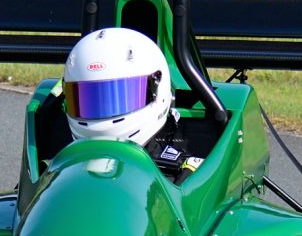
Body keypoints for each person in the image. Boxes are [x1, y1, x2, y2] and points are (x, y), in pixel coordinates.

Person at [61, 27, 200, 179]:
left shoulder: (187, 172)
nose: (103, 113)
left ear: (156, 88)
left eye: (120, 98)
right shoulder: (55, 166)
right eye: (88, 99)